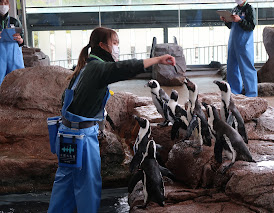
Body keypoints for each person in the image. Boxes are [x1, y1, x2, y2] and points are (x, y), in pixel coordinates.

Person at [47, 27, 175, 213]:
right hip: (82, 138)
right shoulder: (98, 68)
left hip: (67, 136)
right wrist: (156, 59)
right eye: (114, 44)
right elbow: (123, 68)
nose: (117, 48)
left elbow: (67, 102)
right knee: (88, 185)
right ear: (102, 46)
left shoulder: (85, 68)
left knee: (64, 185)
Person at [220, 0, 257, 97]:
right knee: (232, 68)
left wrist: (240, 20)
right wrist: (226, 20)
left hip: (244, 43)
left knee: (247, 68)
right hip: (233, 42)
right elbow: (231, 26)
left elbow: (251, 26)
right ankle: (234, 92)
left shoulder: (249, 8)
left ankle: (251, 94)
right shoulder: (235, 9)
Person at [0, 0, 24, 86]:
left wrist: (19, 39)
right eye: (1, 3)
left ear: (9, 6)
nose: (3, 6)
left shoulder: (15, 21)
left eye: (5, 3)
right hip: (0, 54)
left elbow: (22, 41)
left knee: (17, 80)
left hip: (13, 54)